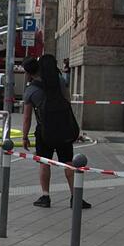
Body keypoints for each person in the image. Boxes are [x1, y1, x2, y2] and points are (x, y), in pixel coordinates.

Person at [21, 53, 89, 209]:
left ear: (28, 73)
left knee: (44, 163)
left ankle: (45, 196)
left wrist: (25, 137)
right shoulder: (60, 82)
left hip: (44, 132)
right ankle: (75, 197)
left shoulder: (31, 90)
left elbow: (26, 118)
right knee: (69, 163)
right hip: (64, 129)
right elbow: (68, 102)